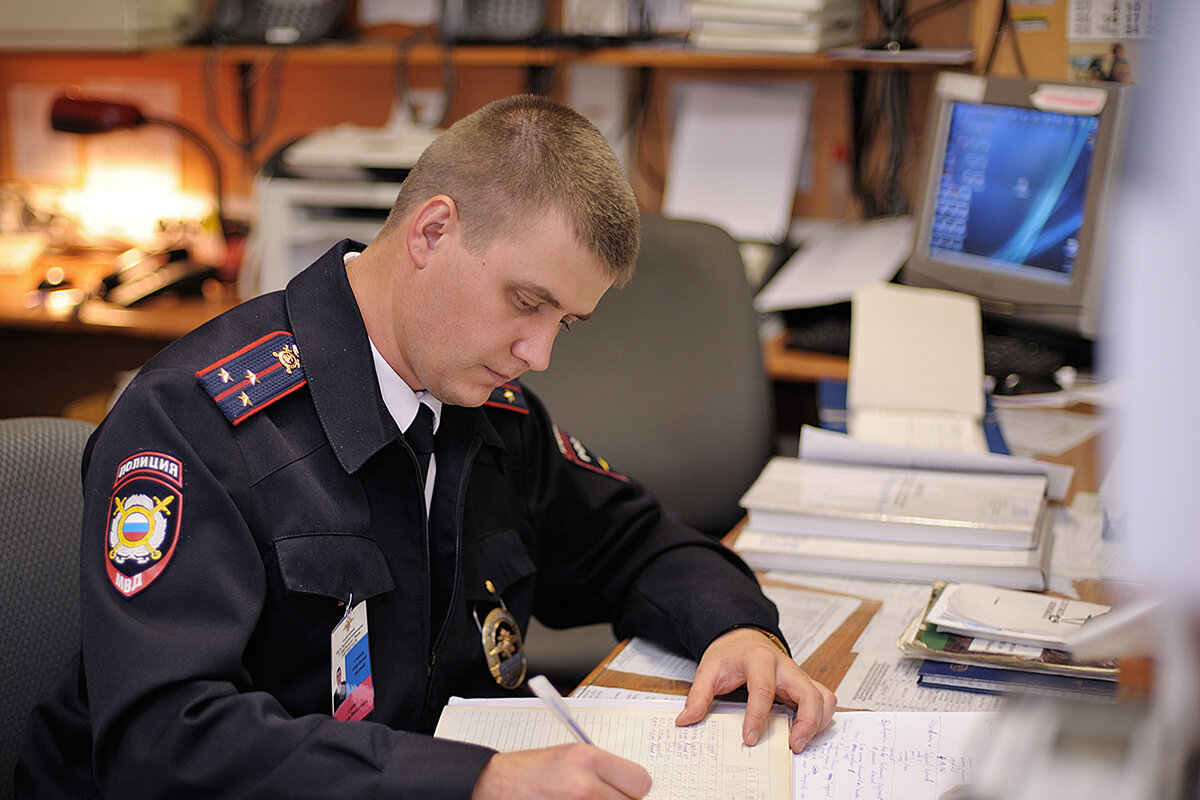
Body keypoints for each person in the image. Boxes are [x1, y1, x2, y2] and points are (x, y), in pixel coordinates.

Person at [16, 94, 835, 799]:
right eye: (526, 302)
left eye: (564, 324)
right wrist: (471, 781)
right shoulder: (197, 424)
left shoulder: (485, 409)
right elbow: (162, 741)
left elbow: (635, 540)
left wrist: (738, 631)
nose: (539, 353)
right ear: (432, 231)